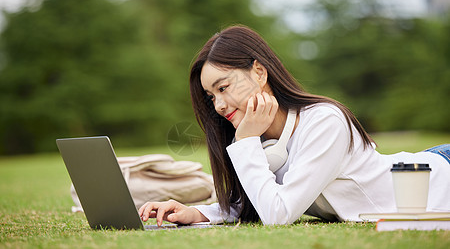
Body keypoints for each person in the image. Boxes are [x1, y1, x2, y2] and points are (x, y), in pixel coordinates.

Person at [139, 25, 450, 226]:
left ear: (259, 72)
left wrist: (245, 140)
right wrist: (198, 212)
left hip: (439, 181)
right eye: (211, 97)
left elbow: (279, 214)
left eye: (224, 88)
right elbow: (257, 199)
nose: (218, 105)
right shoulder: (256, 135)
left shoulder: (325, 121)